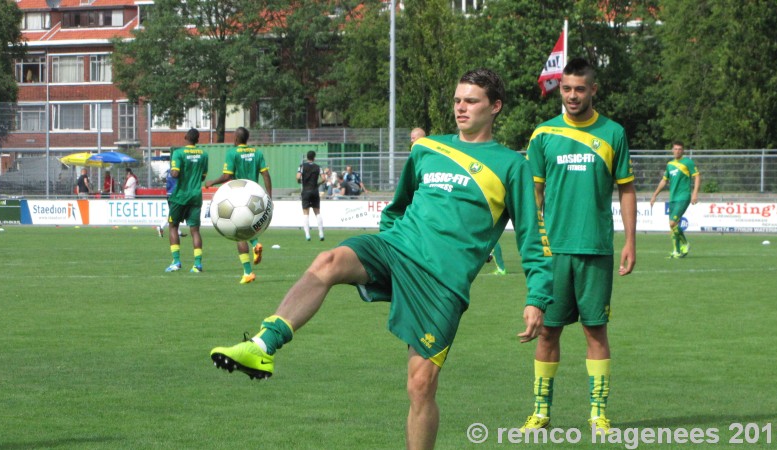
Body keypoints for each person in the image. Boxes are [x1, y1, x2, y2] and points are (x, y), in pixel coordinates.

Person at [210, 68, 553, 450]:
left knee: (420, 386)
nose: (461, 107)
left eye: (471, 101)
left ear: (495, 107)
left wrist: (536, 297)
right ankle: (262, 346)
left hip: (441, 284)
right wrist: (391, 238)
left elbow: (533, 239)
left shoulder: (512, 166)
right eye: (457, 100)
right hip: (397, 249)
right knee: (329, 260)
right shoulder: (428, 149)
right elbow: (398, 205)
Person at [522, 58, 636, 435]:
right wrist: (536, 243)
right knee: (548, 332)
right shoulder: (542, 134)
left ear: (593, 90)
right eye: (566, 89)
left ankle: (598, 414)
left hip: (596, 248)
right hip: (553, 252)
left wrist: (630, 241)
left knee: (595, 331)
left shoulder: (613, 133)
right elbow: (533, 194)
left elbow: (626, 189)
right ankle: (541, 412)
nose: (572, 96)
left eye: (580, 89)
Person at [204, 127, 272, 284]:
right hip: (254, 198)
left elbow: (227, 176)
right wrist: (268, 197)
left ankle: (248, 272)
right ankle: (255, 243)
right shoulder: (257, 152)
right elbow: (266, 174)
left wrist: (212, 182)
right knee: (249, 227)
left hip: (238, 198)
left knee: (238, 232)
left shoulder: (232, 153)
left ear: (235, 138)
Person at [165, 128, 209, 273]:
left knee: (173, 226)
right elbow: (203, 177)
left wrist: (172, 171)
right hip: (196, 196)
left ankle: (176, 262)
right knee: (195, 231)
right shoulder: (204, 155)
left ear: (185, 137)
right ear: (198, 139)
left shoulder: (178, 153)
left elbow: (175, 173)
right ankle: (197, 264)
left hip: (180, 196)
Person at [649, 141, 700, 258]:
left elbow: (697, 176)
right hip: (672, 198)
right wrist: (654, 195)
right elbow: (664, 181)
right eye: (675, 149)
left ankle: (686, 244)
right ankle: (676, 251)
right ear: (672, 150)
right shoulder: (670, 164)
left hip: (683, 197)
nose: (677, 151)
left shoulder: (688, 162)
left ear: (683, 151)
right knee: (672, 225)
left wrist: (695, 193)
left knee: (672, 223)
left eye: (680, 149)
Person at [296, 150, 326, 242]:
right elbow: (324, 179)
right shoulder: (318, 167)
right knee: (317, 212)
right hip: (314, 190)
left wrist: (300, 181)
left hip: (305, 191)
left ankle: (307, 235)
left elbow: (298, 177)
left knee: (306, 213)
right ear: (314, 157)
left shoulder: (302, 166)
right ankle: (321, 233)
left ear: (307, 157)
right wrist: (318, 184)